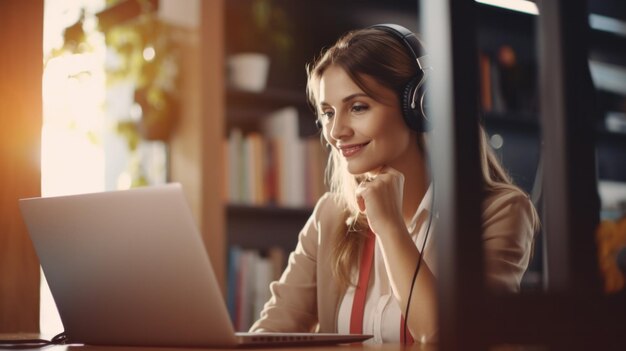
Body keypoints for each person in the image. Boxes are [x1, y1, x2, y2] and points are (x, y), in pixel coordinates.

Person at [249, 24, 539, 344]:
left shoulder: (501, 212)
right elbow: (269, 334)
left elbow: (449, 335)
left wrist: (389, 226)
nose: (336, 132)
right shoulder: (329, 216)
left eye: (358, 107)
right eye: (328, 113)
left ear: (420, 108)